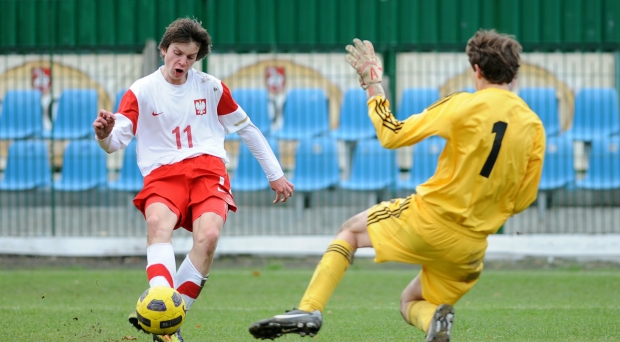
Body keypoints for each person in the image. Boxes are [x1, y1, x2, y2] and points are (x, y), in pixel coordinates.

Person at [248, 29, 545, 341]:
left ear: (476, 69)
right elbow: (524, 199)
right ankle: (434, 321)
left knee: (349, 231)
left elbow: (393, 135)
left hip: (429, 220)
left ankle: (309, 308)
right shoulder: (533, 125)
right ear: (513, 73)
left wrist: (373, 85)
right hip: (471, 245)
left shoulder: (463, 105)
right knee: (412, 302)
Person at [93, 18, 294, 342]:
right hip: (163, 173)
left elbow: (247, 129)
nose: (182, 62)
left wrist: (276, 175)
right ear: (163, 50)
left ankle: (167, 321)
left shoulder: (211, 87)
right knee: (158, 224)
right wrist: (103, 136)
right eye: (177, 53)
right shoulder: (141, 91)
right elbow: (116, 142)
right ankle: (161, 310)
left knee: (209, 237)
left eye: (190, 56)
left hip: (207, 170)